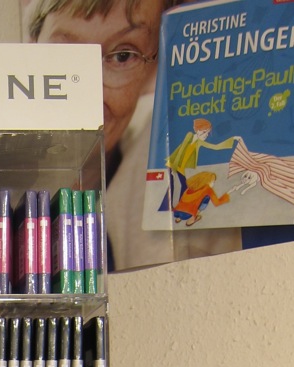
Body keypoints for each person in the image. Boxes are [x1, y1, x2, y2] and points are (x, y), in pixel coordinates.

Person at [26, 0, 242, 270]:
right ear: (30, 49)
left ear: (153, 71)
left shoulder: (153, 172)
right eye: (65, 54)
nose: (88, 91)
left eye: (123, 56)